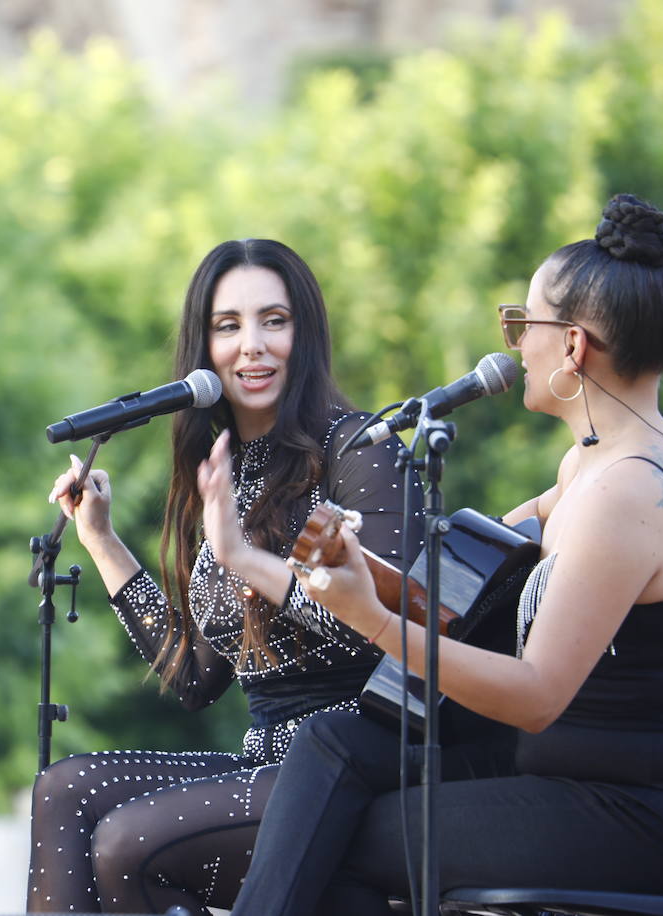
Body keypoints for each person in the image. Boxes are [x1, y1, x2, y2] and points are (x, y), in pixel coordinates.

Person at [231, 194, 663, 915]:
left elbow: (535, 696)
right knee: (332, 743)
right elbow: (475, 579)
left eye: (522, 324)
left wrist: (370, 619)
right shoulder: (592, 467)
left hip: (637, 815)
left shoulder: (628, 492)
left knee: (337, 838)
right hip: (565, 774)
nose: (512, 345)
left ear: (573, 346)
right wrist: (353, 568)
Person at [26, 238, 424, 914]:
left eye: (275, 320)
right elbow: (195, 678)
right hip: (261, 762)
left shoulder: (360, 451)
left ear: (306, 333)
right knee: (63, 789)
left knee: (126, 842)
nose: (253, 346)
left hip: (354, 762)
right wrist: (100, 540)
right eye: (228, 326)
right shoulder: (220, 469)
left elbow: (395, 628)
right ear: (202, 348)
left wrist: (245, 558)